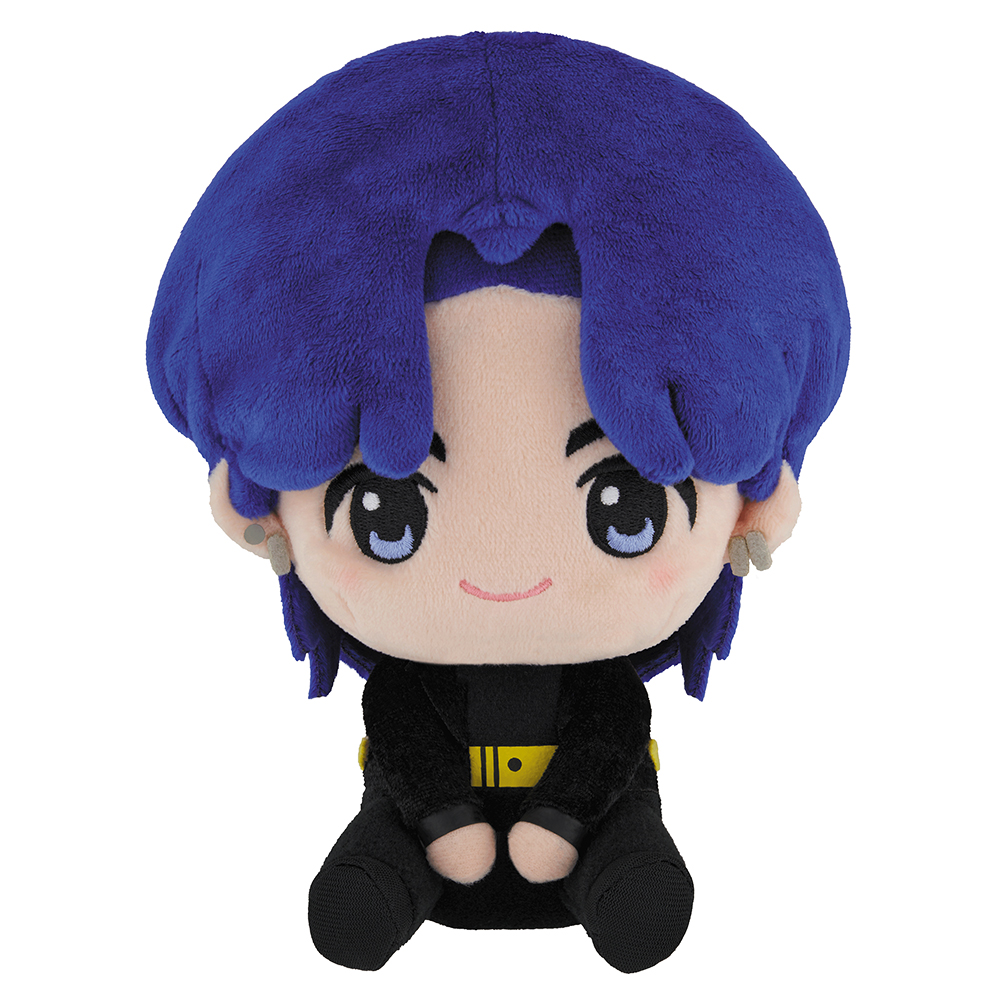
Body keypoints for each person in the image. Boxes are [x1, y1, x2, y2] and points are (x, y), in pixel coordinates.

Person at [147, 32, 849, 973]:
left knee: (631, 832)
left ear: (755, 511)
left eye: (625, 509)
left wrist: (562, 820)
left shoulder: (599, 685)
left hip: (587, 826)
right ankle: (383, 883)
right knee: (382, 834)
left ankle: (623, 880)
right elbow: (402, 735)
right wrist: (443, 821)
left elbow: (610, 737)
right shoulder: (412, 684)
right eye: (388, 518)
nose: (507, 576)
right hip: (431, 835)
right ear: (259, 515)